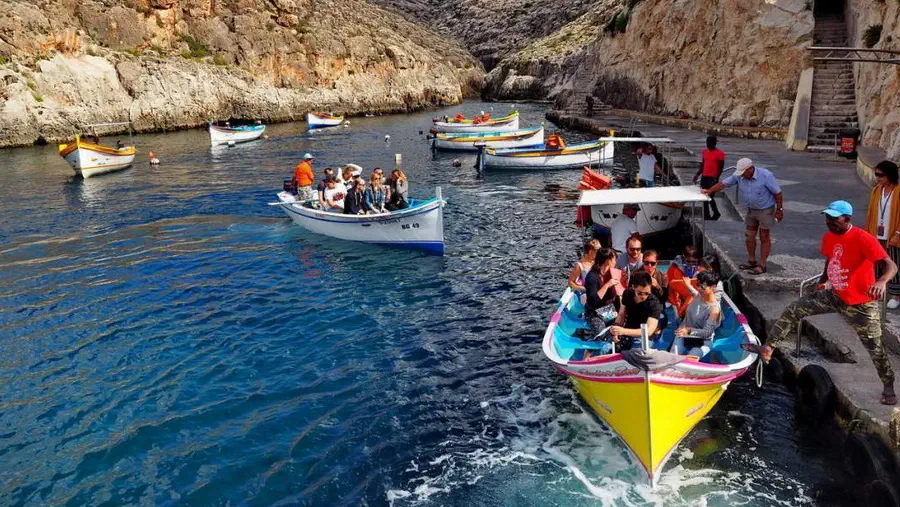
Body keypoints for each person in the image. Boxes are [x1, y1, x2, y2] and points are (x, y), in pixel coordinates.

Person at [743, 200, 897, 405]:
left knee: (874, 348)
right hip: (836, 296)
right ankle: (769, 348)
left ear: (847, 219)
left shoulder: (863, 238)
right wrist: (823, 280)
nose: (829, 222)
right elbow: (830, 259)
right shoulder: (829, 237)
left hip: (862, 304)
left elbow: (891, 265)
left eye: (834, 218)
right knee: (794, 309)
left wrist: (881, 281)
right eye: (827, 217)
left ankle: (888, 386)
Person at [702, 158, 783, 275]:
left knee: (764, 236)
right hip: (751, 209)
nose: (742, 175)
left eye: (743, 172)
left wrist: (779, 210)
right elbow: (723, 184)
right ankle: (751, 260)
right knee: (749, 235)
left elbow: (778, 193)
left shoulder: (766, 175)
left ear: (750, 169)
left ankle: (762, 264)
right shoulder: (739, 176)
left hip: (765, 210)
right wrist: (709, 191)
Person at [867, 160, 900, 310]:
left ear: (890, 175)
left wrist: (898, 234)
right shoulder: (877, 190)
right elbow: (871, 212)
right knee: (878, 263)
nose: (877, 178)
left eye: (880, 175)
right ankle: (878, 290)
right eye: (876, 175)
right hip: (877, 232)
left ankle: (896, 295)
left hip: (893, 234)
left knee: (894, 263)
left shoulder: (898, 191)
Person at [610, 271, 665, 351]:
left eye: (647, 293)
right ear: (633, 287)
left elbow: (649, 331)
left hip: (644, 337)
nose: (643, 296)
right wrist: (616, 330)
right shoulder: (627, 293)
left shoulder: (654, 304)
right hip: (626, 333)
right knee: (606, 349)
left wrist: (623, 331)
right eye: (640, 293)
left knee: (635, 354)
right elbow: (621, 315)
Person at [675, 270, 723, 358]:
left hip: (702, 341)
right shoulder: (700, 295)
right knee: (672, 357)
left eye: (703, 286)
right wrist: (687, 284)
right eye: (698, 285)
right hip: (683, 333)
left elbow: (707, 333)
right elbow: (694, 292)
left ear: (713, 287)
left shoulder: (714, 309)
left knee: (692, 357)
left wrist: (689, 330)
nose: (699, 288)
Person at [693, 135, 725, 220]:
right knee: (704, 197)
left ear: (714, 143)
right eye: (707, 142)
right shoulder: (704, 152)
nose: (708, 144)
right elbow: (703, 165)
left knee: (710, 196)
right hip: (704, 177)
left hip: (712, 178)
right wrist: (697, 175)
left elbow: (720, 168)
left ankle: (716, 213)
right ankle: (706, 215)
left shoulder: (720, 153)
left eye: (709, 143)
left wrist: (716, 178)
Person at [667, 245, 702, 317]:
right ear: (684, 258)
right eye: (688, 261)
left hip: (694, 297)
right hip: (677, 298)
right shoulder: (674, 268)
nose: (690, 264)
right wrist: (678, 307)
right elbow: (673, 291)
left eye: (694, 262)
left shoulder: (701, 269)